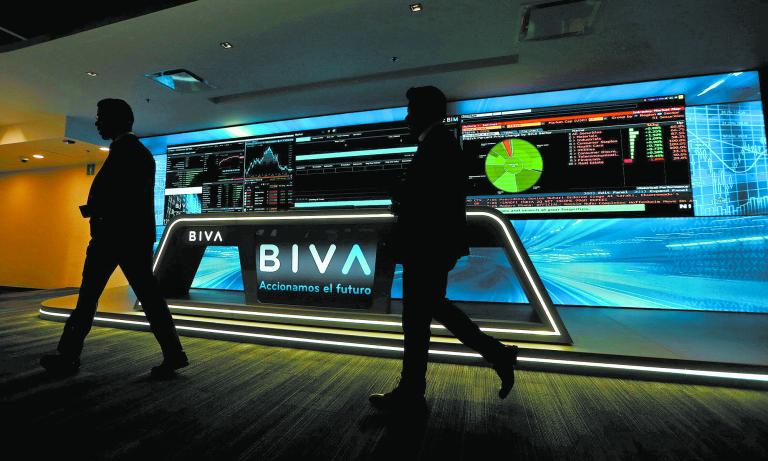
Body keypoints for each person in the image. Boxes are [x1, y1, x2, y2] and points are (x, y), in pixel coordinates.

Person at [370, 86, 519, 414]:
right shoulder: (441, 144)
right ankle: (495, 355)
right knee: (429, 311)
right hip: (432, 247)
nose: (407, 118)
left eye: (411, 111)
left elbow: (427, 200)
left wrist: (399, 191)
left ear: (425, 112)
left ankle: (412, 392)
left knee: (417, 320)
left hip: (426, 246)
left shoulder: (437, 145)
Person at [40, 99, 188, 379]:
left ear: (117, 120)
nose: (96, 122)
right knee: (150, 298)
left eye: (100, 117)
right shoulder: (135, 151)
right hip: (130, 239)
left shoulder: (127, 152)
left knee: (88, 298)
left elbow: (122, 198)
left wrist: (93, 210)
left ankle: (68, 356)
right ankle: (174, 354)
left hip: (114, 239)